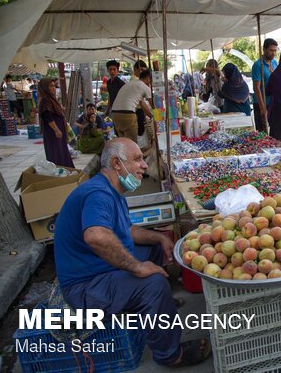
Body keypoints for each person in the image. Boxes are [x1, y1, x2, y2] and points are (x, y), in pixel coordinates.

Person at [54, 138, 211, 367]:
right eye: (137, 159)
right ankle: (171, 355)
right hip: (86, 286)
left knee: (157, 248)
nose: (145, 165)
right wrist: (137, 267)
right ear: (117, 163)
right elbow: (96, 236)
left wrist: (159, 238)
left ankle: (155, 307)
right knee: (154, 283)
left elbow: (126, 230)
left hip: (101, 268)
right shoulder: (98, 193)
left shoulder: (111, 189)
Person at [37, 78, 75, 168]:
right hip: (53, 132)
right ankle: (59, 169)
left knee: (62, 151)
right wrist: (56, 130)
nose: (53, 88)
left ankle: (66, 168)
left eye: (54, 86)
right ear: (45, 88)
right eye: (51, 86)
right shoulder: (45, 100)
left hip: (58, 130)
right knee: (56, 152)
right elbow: (48, 117)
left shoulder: (51, 99)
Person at [111, 69, 153, 144]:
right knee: (131, 143)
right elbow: (153, 104)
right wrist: (155, 117)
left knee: (123, 142)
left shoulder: (131, 83)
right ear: (148, 78)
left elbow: (142, 103)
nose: (150, 83)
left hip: (115, 114)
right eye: (150, 80)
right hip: (127, 114)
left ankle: (124, 155)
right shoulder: (145, 87)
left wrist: (151, 116)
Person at [251, 38, 278, 132]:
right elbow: (256, 88)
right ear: (264, 49)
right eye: (271, 50)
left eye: (275, 50)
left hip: (272, 102)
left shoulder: (274, 63)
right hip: (260, 103)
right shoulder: (258, 65)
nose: (273, 53)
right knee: (262, 132)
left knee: (274, 130)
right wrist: (262, 107)